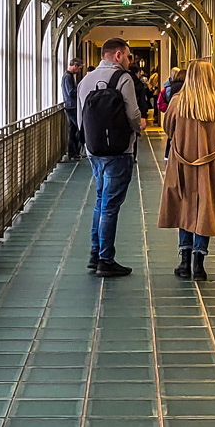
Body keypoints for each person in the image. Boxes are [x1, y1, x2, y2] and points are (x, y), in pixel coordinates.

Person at [158, 58, 215, 281]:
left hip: (181, 164)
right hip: (208, 166)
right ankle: (199, 264)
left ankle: (184, 262)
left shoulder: (176, 103)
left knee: (184, 208)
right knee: (204, 211)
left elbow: (168, 129)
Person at [76, 37, 146, 278]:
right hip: (119, 151)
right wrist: (140, 127)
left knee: (100, 200)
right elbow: (133, 113)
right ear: (117, 55)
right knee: (110, 206)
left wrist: (89, 145)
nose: (129, 61)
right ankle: (106, 259)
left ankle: (95, 254)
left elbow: (80, 119)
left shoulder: (85, 80)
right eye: (127, 56)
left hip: (95, 151)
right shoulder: (123, 78)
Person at [60, 58, 83, 159]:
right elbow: (71, 92)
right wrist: (79, 89)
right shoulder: (68, 77)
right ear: (75, 66)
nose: (79, 71)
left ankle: (72, 152)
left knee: (72, 129)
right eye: (79, 68)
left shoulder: (67, 76)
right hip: (72, 106)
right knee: (78, 128)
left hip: (69, 105)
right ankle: (75, 151)